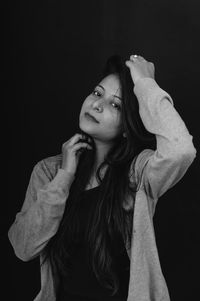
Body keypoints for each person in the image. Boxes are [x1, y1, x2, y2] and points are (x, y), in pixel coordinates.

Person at [8, 54, 196, 301]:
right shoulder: (48, 171)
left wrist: (145, 83)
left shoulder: (138, 174)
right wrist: (65, 176)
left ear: (128, 127)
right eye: (97, 93)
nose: (97, 105)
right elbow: (23, 248)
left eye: (115, 105)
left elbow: (181, 149)